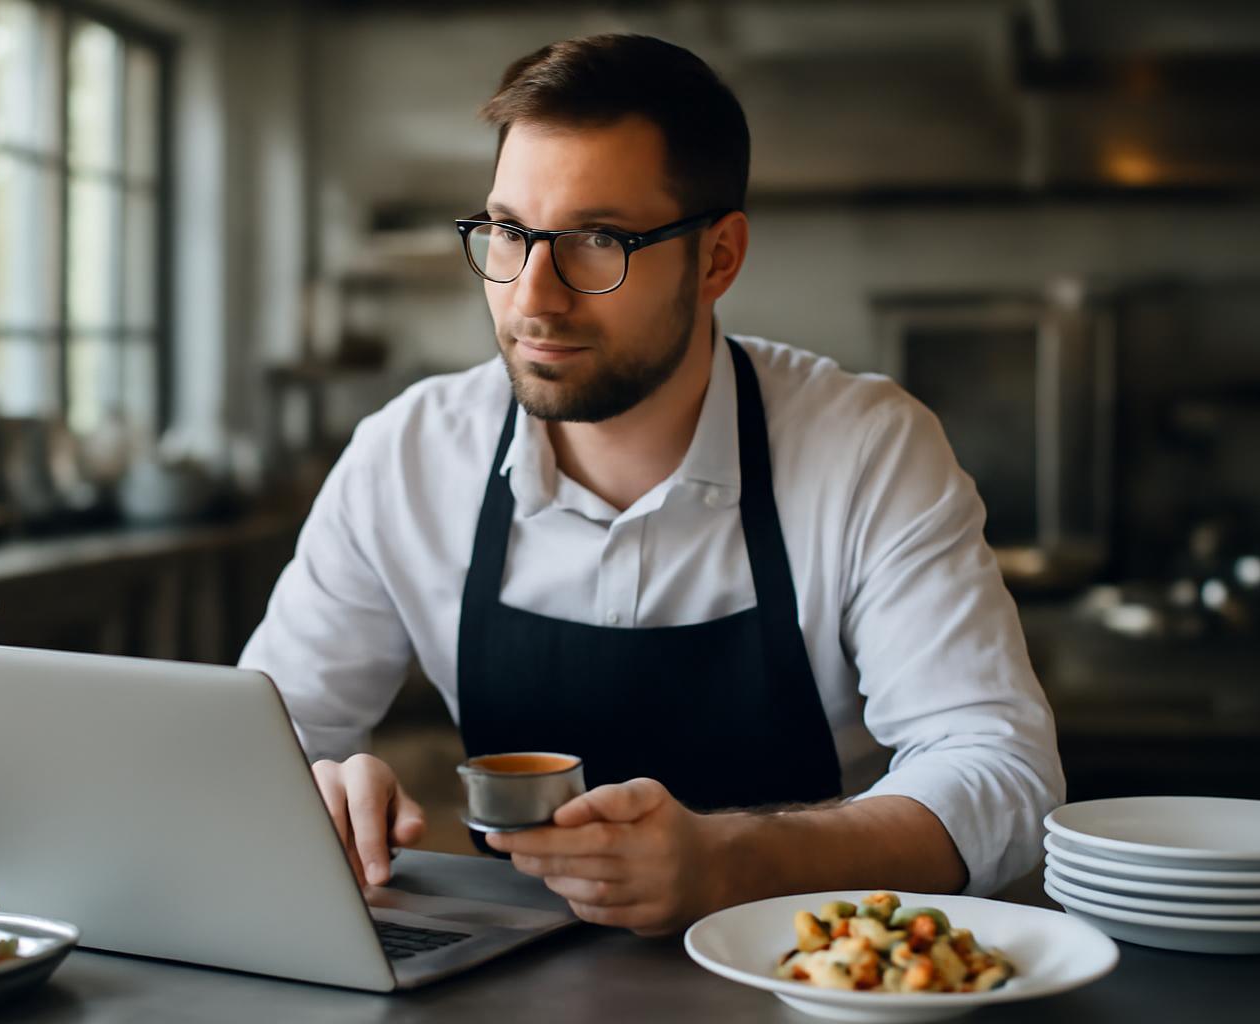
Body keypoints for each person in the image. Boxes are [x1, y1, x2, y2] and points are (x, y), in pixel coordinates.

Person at [240, 33, 1063, 936]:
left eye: (599, 240)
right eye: (510, 232)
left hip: (815, 976)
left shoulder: (867, 449)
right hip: (507, 983)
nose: (534, 298)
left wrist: (732, 862)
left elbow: (1000, 774)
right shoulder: (408, 456)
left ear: (718, 259)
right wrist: (312, 786)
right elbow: (253, 743)